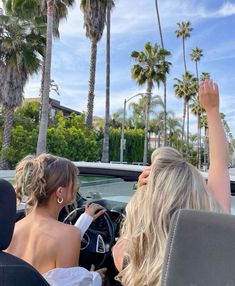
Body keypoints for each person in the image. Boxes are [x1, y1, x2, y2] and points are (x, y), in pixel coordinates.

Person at [112, 79, 231, 286]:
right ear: (200, 197)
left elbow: (131, 231)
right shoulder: (218, 248)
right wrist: (212, 111)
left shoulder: (128, 255)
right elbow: (219, 164)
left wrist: (142, 194)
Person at [6, 153, 107, 286]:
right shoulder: (69, 235)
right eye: (74, 181)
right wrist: (95, 278)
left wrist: (86, 219)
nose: (77, 185)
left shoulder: (12, 229)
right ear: (60, 192)